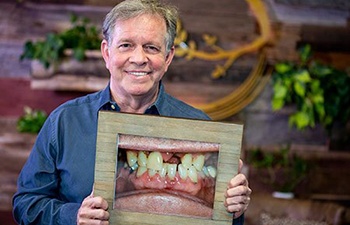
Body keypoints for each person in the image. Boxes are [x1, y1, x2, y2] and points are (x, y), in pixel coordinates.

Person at [12, 0, 252, 224]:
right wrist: (73, 215)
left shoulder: (201, 127)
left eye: (151, 48)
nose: (139, 58)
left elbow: (223, 220)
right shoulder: (64, 122)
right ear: (107, 53)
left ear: (168, 58)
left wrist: (234, 210)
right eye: (126, 45)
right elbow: (26, 204)